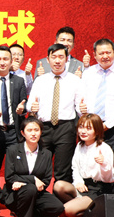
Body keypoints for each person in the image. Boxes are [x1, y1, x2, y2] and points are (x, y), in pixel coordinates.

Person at [78, 39, 114, 194]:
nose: (105, 56)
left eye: (108, 52)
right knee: (90, 163)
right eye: (101, 53)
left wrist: (106, 125)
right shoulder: (88, 73)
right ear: (95, 55)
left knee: (113, 166)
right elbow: (80, 99)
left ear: (113, 53)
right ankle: (91, 200)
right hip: (90, 127)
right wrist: (81, 111)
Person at [27, 43, 83, 183]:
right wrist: (32, 107)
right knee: (40, 167)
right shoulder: (40, 80)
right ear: (48, 59)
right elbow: (29, 105)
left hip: (66, 128)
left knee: (62, 170)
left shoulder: (75, 80)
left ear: (66, 59)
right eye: (54, 57)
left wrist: (83, 110)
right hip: (44, 128)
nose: (57, 61)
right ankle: (40, 195)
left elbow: (80, 107)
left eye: (61, 57)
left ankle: (61, 196)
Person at [0, 45, 28, 212]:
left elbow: (23, 104)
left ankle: (12, 201)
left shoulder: (19, 81)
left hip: (12, 132)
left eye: (5, 59)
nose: (2, 62)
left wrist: (22, 110)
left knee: (14, 169)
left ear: (11, 61)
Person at [3, 116, 65, 217]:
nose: (33, 134)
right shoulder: (13, 150)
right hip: (16, 193)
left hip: (37, 193)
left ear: (41, 132)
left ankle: (31, 215)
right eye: (29, 130)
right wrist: (33, 179)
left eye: (36, 130)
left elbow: (46, 179)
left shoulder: (46, 153)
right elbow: (9, 176)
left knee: (58, 207)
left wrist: (24, 181)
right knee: (30, 189)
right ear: (23, 133)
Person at [53, 113, 114, 217]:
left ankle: (90, 214)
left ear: (97, 131)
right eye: (81, 127)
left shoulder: (104, 148)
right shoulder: (79, 146)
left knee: (67, 210)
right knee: (59, 186)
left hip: (97, 189)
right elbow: (75, 167)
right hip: (83, 186)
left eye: (88, 128)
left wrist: (103, 163)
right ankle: (81, 207)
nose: (83, 131)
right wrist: (78, 182)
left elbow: (109, 178)